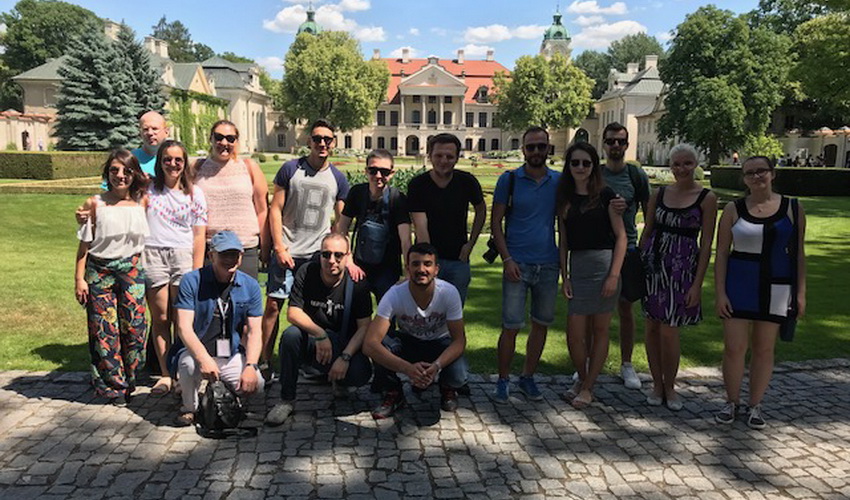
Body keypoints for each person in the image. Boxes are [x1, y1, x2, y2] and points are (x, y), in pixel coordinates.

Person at [714, 156, 806, 429]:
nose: (756, 177)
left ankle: (755, 405)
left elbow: (798, 254)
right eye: (750, 173)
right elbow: (721, 253)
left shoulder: (792, 208)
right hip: (739, 283)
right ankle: (731, 402)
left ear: (772, 173)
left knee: (764, 349)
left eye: (761, 171)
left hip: (777, 285)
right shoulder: (733, 209)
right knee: (734, 348)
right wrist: (720, 292)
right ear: (743, 178)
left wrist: (800, 293)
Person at [261, 119, 350, 373]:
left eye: (327, 139)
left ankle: (307, 362)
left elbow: (341, 221)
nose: (322, 143)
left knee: (311, 311)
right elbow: (275, 209)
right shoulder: (291, 169)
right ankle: (265, 362)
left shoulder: (338, 178)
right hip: (288, 251)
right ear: (309, 141)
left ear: (333, 143)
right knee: (273, 307)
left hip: (316, 256)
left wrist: (339, 253)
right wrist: (279, 247)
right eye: (317, 138)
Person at [639, 144, 717, 410]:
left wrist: (697, 284)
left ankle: (670, 386)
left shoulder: (706, 198)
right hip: (654, 267)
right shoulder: (659, 194)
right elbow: (647, 231)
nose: (681, 169)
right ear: (670, 167)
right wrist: (639, 266)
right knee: (651, 327)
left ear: (695, 164)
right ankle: (656, 384)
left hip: (682, 270)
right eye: (676, 164)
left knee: (669, 330)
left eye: (687, 163)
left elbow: (706, 245)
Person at [266, 234, 373, 426]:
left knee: (360, 372)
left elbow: (365, 327)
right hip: (314, 340)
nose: (332, 260)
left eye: (338, 255)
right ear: (320, 254)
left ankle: (339, 379)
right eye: (326, 254)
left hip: (343, 343)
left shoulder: (358, 283)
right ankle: (286, 400)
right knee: (290, 336)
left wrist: (345, 357)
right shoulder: (307, 272)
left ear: (347, 256)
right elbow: (293, 313)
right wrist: (319, 334)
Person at [489, 126, 561, 404]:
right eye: (531, 147)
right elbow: (496, 223)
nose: (536, 152)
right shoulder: (509, 180)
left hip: (548, 263)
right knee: (511, 326)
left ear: (548, 148)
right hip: (517, 263)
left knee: (540, 324)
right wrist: (507, 259)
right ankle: (503, 379)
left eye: (541, 146)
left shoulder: (558, 181)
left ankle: (527, 377)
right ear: (523, 150)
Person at [74, 149, 149, 404]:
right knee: (104, 331)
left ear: (134, 174)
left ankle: (131, 378)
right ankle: (112, 386)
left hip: (131, 270)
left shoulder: (142, 202)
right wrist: (79, 279)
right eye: (114, 170)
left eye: (126, 171)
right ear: (107, 173)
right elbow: (84, 247)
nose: (120, 176)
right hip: (100, 271)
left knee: (135, 328)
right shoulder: (95, 204)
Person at [557, 142, 627, 409]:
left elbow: (621, 238)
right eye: (575, 162)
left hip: (604, 266)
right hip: (579, 267)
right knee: (574, 334)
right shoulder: (564, 198)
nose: (580, 167)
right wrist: (565, 276)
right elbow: (563, 241)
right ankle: (584, 379)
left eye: (586, 163)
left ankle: (587, 387)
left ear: (593, 166)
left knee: (600, 330)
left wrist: (613, 275)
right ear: (568, 166)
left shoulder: (606, 195)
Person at [170, 230, 265, 426]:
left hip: (230, 352)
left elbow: (255, 331)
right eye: (224, 254)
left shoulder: (251, 286)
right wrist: (204, 358)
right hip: (196, 351)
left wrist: (251, 366)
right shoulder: (191, 281)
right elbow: (183, 327)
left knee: (258, 384)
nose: (230, 259)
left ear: (241, 256)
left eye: (234, 254)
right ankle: (189, 407)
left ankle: (224, 395)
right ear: (211, 255)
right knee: (188, 366)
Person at [364, 243, 468, 419]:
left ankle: (447, 386)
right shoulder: (394, 294)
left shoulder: (449, 293)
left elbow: (459, 340)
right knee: (381, 345)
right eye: (415, 264)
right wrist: (407, 368)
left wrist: (437, 366)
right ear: (407, 268)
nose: (421, 269)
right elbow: (369, 344)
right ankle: (393, 392)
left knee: (459, 375)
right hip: (409, 342)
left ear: (436, 269)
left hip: (439, 343)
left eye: (427, 264)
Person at [143, 140, 208, 396]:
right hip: (153, 254)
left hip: (183, 256)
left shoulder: (194, 193)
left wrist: (196, 269)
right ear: (160, 162)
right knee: (160, 319)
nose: (173, 164)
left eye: (178, 160)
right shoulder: (148, 190)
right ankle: (165, 374)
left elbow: (199, 235)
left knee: (183, 320)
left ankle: (184, 372)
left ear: (185, 162)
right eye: (167, 159)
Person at [600, 122, 650, 390]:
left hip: (628, 248)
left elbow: (649, 211)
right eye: (611, 141)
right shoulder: (596, 173)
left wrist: (643, 244)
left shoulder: (635, 174)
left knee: (625, 308)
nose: (616, 146)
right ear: (604, 144)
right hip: (599, 249)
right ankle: (591, 361)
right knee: (596, 310)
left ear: (627, 145)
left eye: (620, 141)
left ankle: (627, 363)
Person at [407, 134, 485, 304]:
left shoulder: (467, 181)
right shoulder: (418, 185)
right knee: (425, 311)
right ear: (430, 156)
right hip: (429, 260)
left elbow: (481, 210)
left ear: (457, 158)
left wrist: (470, 244)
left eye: (449, 156)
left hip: (459, 259)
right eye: (438, 155)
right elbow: (421, 226)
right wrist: (429, 263)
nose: (444, 161)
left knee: (454, 313)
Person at [193, 120, 268, 279]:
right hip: (210, 249)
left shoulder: (249, 167)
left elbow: (262, 210)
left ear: (236, 141)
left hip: (245, 247)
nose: (224, 143)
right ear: (211, 138)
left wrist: (265, 248)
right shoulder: (196, 168)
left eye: (230, 138)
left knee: (244, 294)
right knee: (208, 295)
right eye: (219, 137)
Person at [336, 149, 411, 302]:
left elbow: (406, 239)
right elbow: (342, 228)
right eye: (373, 170)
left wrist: (408, 272)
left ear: (392, 173)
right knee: (354, 311)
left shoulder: (397, 198)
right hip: (359, 265)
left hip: (388, 269)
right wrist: (348, 260)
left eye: (384, 172)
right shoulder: (357, 193)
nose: (378, 175)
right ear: (366, 171)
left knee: (387, 313)